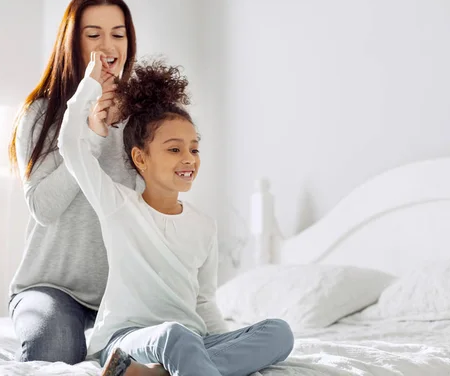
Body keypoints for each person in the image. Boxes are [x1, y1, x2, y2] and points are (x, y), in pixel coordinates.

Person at [58, 53, 295, 376]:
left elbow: (204, 302)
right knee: (174, 335)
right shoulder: (118, 206)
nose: (189, 159)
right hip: (127, 340)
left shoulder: (204, 226)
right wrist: (90, 86)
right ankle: (172, 364)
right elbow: (71, 145)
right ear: (141, 158)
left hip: (192, 341)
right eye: (174, 149)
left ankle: (156, 373)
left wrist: (224, 342)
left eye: (194, 149)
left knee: (279, 332)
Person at [7, 0, 142, 364]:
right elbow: (43, 208)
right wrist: (91, 140)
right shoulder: (41, 114)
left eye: (118, 34)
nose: (108, 46)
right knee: (54, 351)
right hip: (51, 287)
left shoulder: (143, 115)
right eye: (93, 34)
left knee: (162, 353)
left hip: (124, 291)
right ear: (73, 41)